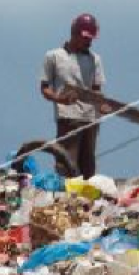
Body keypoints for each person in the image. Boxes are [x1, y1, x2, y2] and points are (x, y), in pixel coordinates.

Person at [40, 13, 109, 178]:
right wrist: (60, 99)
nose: (89, 42)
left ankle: (86, 201)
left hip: (91, 119)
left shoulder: (95, 59)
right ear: (74, 33)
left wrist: (102, 105)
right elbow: (44, 88)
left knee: (88, 167)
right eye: (86, 38)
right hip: (68, 118)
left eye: (91, 38)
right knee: (66, 164)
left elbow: (97, 90)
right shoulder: (54, 56)